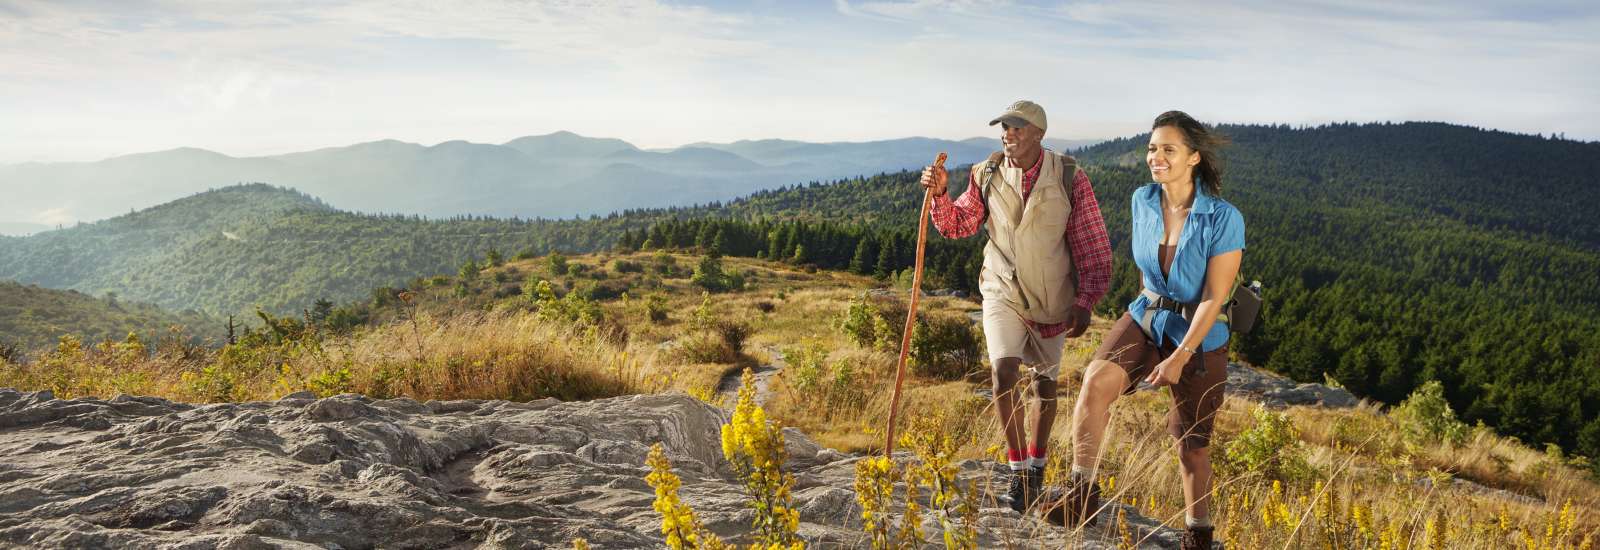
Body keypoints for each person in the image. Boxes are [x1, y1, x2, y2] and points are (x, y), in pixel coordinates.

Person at [1054, 110, 1242, 550]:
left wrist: (1178, 357)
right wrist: (1144, 330)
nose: (1156, 157)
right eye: (1152, 148)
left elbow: (1215, 296)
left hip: (1199, 331)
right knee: (1094, 383)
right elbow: (1147, 269)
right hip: (1147, 314)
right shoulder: (1142, 199)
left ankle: (1198, 535)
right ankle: (1081, 494)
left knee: (1191, 444)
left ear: (1193, 158)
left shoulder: (1222, 217)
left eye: (1168, 150)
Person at [919, 100, 1113, 514]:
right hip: (1001, 287)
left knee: (1045, 386)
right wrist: (940, 196)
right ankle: (1017, 470)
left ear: (1039, 134)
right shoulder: (985, 173)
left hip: (1051, 297)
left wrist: (1085, 300)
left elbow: (1091, 241)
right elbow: (960, 224)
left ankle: (1037, 468)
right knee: (1002, 372)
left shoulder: (1069, 176)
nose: (1007, 133)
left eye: (1017, 127)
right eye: (1004, 127)